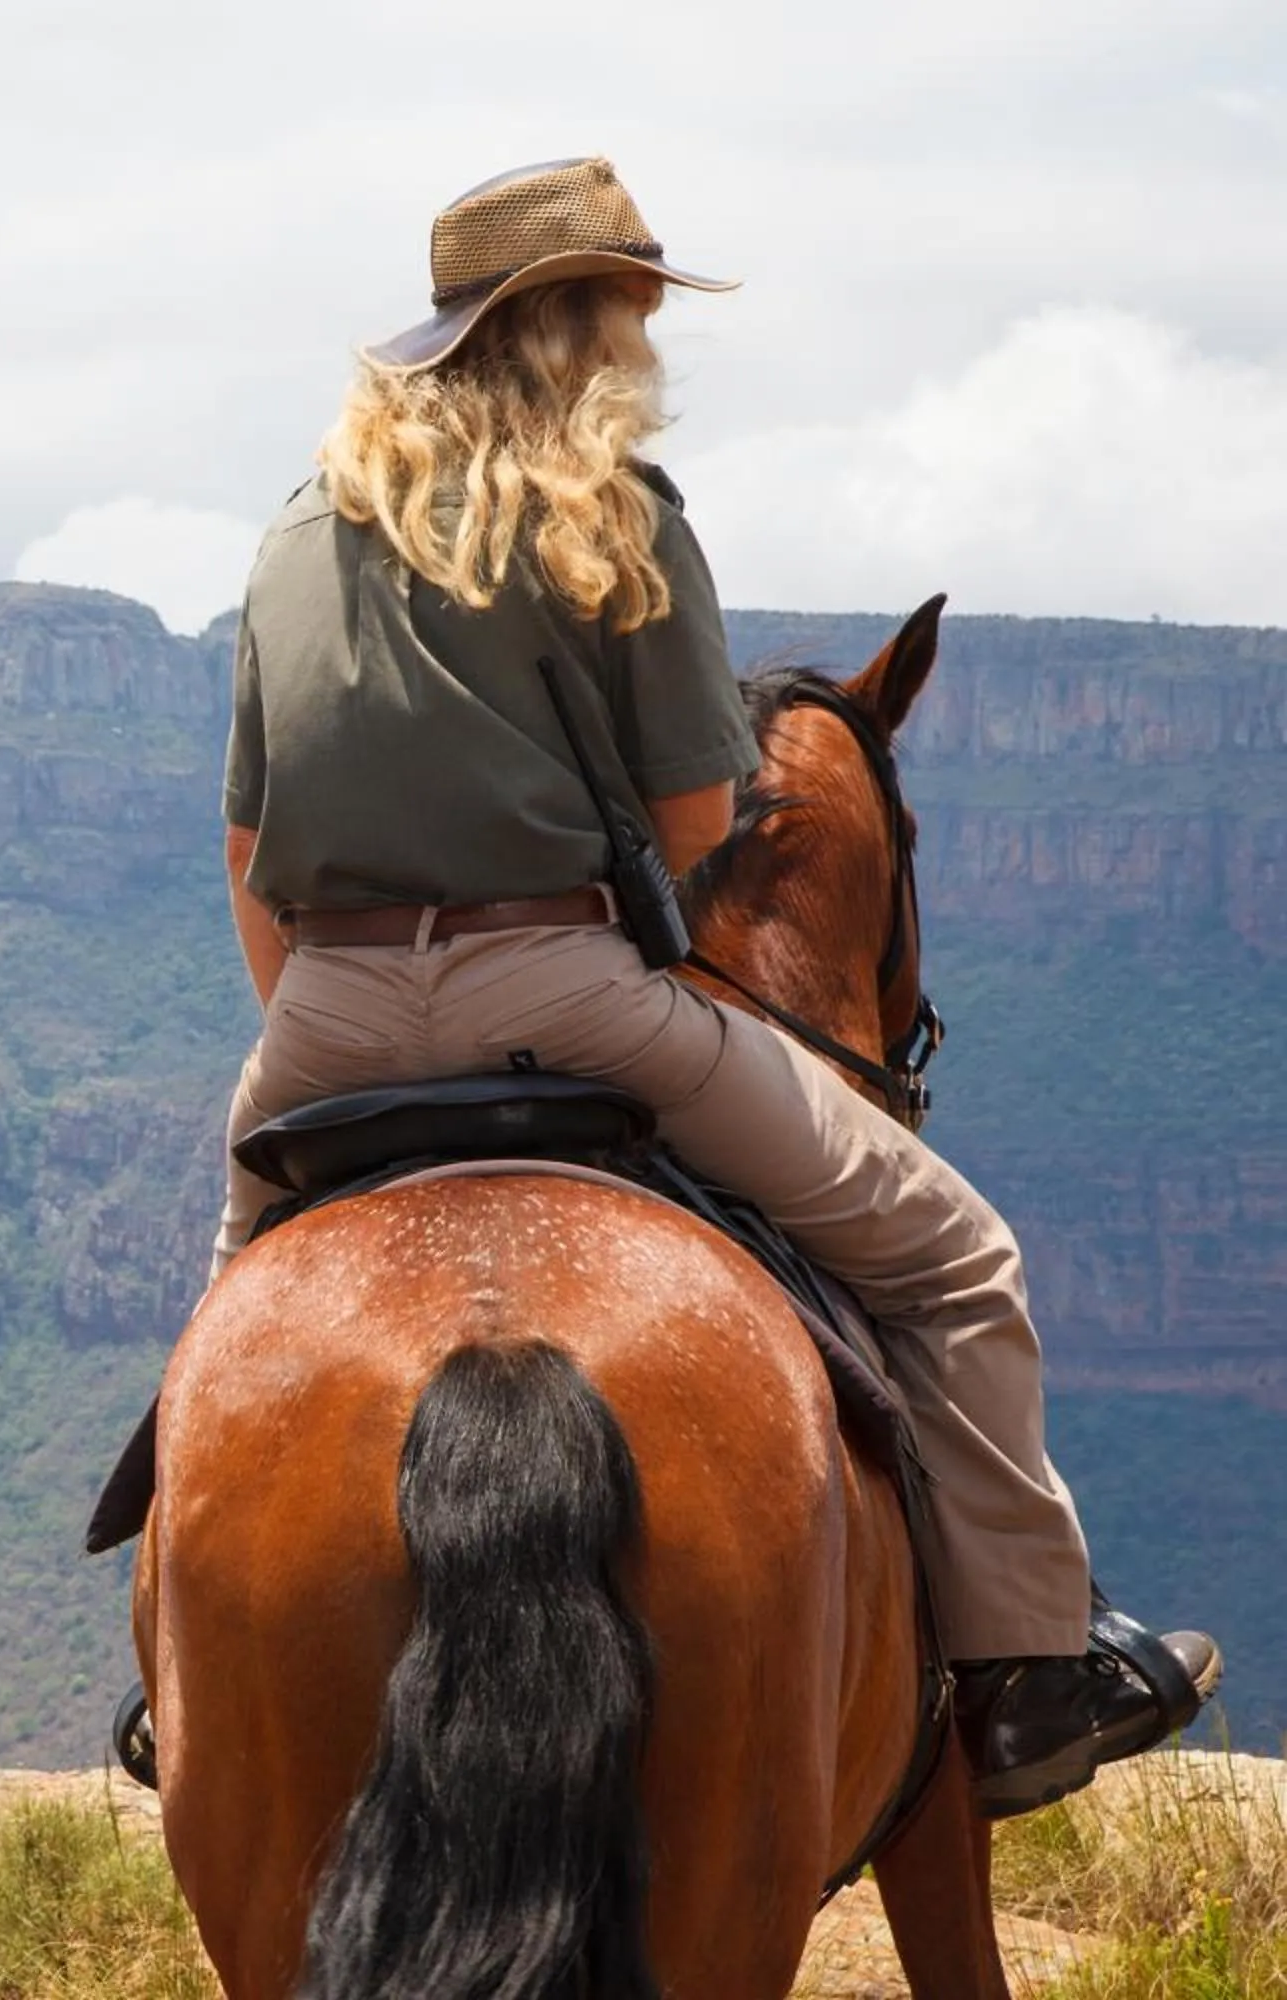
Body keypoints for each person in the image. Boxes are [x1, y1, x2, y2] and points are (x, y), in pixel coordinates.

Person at [195, 156, 1214, 1816]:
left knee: (224, 1344)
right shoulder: (617, 512)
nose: (643, 345)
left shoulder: (303, 531)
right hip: (576, 988)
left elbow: (250, 843)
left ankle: (188, 1681)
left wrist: (329, 1032)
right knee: (958, 1259)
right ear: (574, 323)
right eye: (631, 312)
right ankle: (1034, 1674)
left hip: (323, 1015)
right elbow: (692, 815)